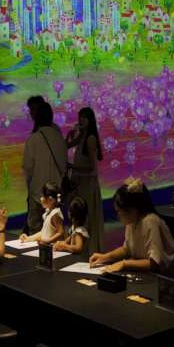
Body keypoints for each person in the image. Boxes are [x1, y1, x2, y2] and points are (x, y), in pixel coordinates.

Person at [89, 178, 174, 280]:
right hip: (145, 275)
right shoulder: (132, 221)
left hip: (164, 279)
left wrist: (124, 263)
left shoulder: (151, 221)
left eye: (119, 211)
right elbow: (127, 249)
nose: (118, 215)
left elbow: (155, 263)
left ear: (133, 209)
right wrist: (106, 257)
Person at [23, 102, 67, 234]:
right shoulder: (59, 138)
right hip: (55, 192)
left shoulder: (34, 138)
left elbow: (28, 168)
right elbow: (64, 164)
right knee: (55, 230)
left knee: (35, 229)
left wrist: (30, 188)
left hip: (37, 193)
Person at [65, 107, 105, 254]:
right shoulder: (82, 136)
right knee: (81, 217)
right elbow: (65, 146)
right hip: (81, 183)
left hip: (87, 184)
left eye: (84, 117)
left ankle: (89, 250)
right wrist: (69, 135)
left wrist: (72, 167)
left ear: (90, 120)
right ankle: (81, 248)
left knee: (87, 217)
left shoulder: (90, 138)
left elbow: (92, 168)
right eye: (79, 117)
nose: (80, 120)